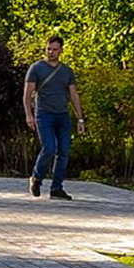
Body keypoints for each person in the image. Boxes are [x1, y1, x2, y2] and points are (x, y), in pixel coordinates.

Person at [23, 35, 85, 200]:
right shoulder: (36, 68)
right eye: (48, 49)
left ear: (61, 51)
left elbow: (73, 94)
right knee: (49, 148)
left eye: (55, 49)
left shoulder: (67, 71)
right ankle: (36, 177)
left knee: (63, 151)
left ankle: (57, 187)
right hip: (44, 114)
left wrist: (80, 118)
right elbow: (27, 94)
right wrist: (29, 115)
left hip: (63, 115)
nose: (51, 52)